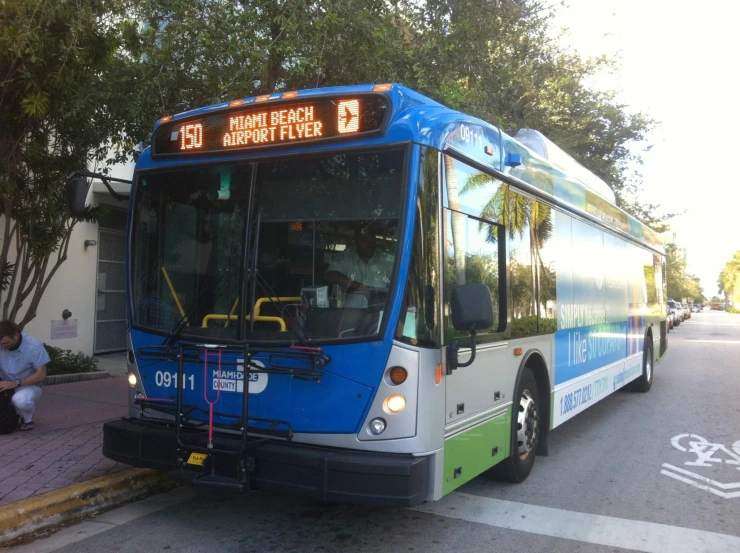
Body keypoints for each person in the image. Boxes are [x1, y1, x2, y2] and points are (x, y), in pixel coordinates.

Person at [325, 223, 394, 308]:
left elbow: (403, 282)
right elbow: (331, 276)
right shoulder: (346, 257)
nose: (369, 244)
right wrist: (358, 287)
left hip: (380, 315)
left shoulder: (386, 261)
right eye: (365, 240)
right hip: (347, 316)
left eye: (372, 240)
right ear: (356, 241)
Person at [0, 320, 50, 431]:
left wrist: (15, 383)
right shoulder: (1, 343)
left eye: (5, 343)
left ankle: (27, 419)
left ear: (16, 336)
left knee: (20, 400)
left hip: (28, 386)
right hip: (4, 383)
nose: (2, 347)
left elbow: (41, 376)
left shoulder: (34, 346)